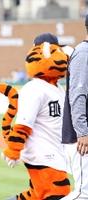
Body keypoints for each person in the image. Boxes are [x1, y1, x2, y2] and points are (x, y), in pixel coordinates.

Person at [0, 33, 72, 200]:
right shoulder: (33, 88)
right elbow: (23, 124)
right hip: (42, 155)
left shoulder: (58, 88)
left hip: (56, 154)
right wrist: (13, 150)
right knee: (57, 193)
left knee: (37, 195)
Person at [61, 14, 88, 200]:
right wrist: (83, 132)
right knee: (83, 194)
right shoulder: (84, 53)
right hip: (82, 138)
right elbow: (77, 95)